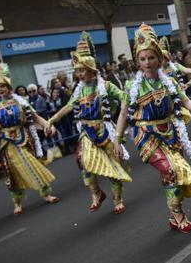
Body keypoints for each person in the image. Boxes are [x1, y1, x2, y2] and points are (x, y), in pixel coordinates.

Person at [116, 24, 191, 233]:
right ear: (137, 62)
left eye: (151, 58)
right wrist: (118, 139)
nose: (147, 63)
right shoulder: (131, 87)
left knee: (176, 175)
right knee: (168, 169)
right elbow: (123, 114)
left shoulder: (170, 82)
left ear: (159, 59)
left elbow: (187, 104)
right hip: (146, 135)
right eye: (142, 59)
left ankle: (176, 209)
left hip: (170, 133)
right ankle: (177, 215)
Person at [48, 32, 132, 214]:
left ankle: (118, 199)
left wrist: (128, 101)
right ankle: (96, 193)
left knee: (113, 165)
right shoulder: (78, 91)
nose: (78, 74)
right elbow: (69, 107)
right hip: (87, 131)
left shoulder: (106, 86)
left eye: (82, 70)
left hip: (106, 130)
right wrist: (52, 119)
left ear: (92, 70)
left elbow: (123, 97)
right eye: (77, 71)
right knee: (82, 160)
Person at [0, 63, 59, 215]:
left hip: (23, 140)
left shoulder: (20, 101)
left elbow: (35, 118)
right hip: (5, 145)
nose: (0, 90)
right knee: (11, 174)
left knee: (31, 165)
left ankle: (46, 194)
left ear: (9, 86)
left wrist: (48, 125)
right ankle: (17, 203)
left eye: (2, 86)